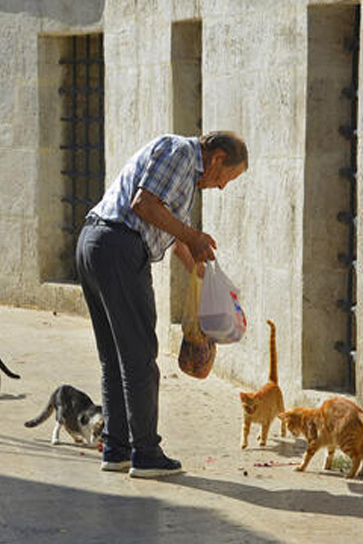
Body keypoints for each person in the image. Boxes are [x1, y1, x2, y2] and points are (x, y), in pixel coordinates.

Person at [75, 131, 248, 478]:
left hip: (97, 245)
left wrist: (199, 270)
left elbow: (169, 232)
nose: (223, 186)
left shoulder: (181, 171)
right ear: (216, 159)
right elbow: (144, 205)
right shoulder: (181, 153)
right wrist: (192, 235)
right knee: (139, 358)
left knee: (115, 358)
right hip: (118, 247)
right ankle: (146, 454)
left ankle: (117, 449)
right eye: (227, 177)